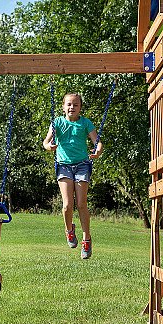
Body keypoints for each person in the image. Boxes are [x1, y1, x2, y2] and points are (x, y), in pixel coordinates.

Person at [43, 93, 103, 259]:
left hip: (82, 165)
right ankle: (69, 230)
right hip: (64, 166)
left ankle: (86, 238)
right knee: (67, 205)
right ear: (63, 107)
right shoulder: (57, 123)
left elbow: (97, 142)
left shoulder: (85, 123)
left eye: (75, 105)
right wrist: (50, 147)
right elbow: (45, 142)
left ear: (80, 108)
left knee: (82, 204)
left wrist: (97, 151)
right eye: (69, 104)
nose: (72, 107)